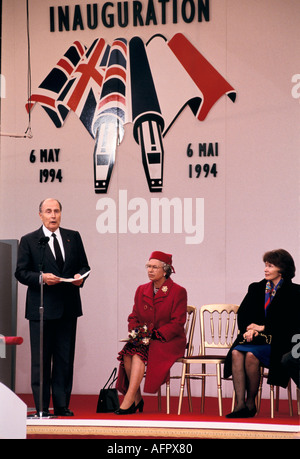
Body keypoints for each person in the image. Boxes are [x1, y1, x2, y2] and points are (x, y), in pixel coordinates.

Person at [15, 198, 90, 416]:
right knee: (41, 360)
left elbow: (84, 265)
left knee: (65, 359)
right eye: (48, 211)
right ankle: (41, 408)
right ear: (40, 215)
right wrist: (41, 278)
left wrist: (80, 277)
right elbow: (20, 272)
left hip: (68, 307)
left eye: (56, 211)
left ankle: (61, 405)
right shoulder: (30, 240)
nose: (53, 215)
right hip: (41, 308)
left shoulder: (72, 237)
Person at [224, 249, 300, 418]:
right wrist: (249, 330)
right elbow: (243, 314)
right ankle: (240, 404)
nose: (265, 269)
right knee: (236, 352)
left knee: (251, 355)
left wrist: (264, 328)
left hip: (279, 341)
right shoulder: (256, 288)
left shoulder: (295, 292)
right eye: (265, 265)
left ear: (282, 269)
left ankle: (251, 403)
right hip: (253, 338)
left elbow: (292, 322)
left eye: (270, 266)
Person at [115, 251, 187, 414]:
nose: (150, 270)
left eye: (155, 267)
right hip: (146, 337)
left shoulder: (178, 291)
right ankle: (136, 398)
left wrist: (153, 334)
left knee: (138, 354)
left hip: (168, 340)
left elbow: (178, 323)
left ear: (166, 270)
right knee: (128, 352)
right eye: (148, 266)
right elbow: (133, 316)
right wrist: (137, 332)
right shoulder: (141, 290)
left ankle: (128, 400)